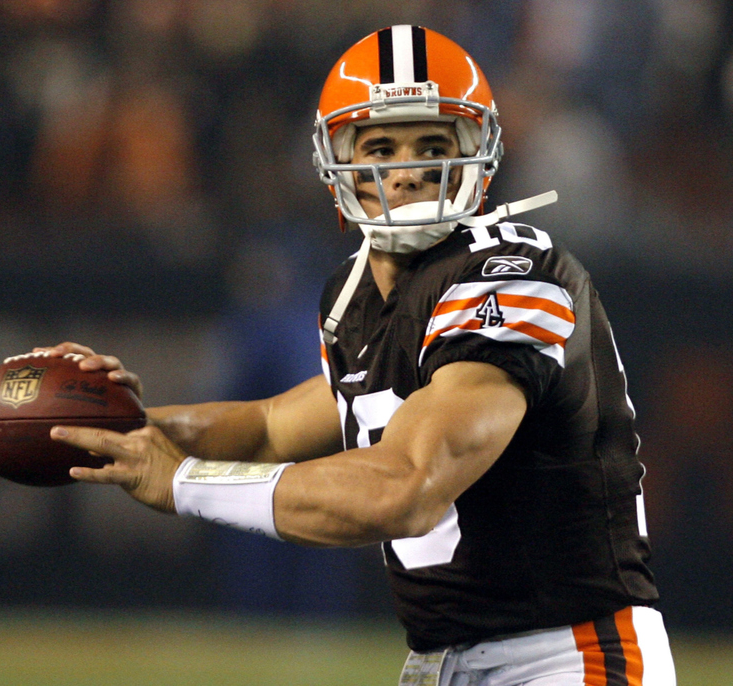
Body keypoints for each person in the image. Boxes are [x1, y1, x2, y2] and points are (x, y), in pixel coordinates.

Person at [37, 25, 676, 686]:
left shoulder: (511, 275)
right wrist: (114, 426)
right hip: (449, 658)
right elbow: (272, 426)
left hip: (570, 659)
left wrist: (182, 483)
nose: (404, 171)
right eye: (379, 146)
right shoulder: (354, 293)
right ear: (333, 157)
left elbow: (407, 488)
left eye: (432, 144)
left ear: (478, 155)